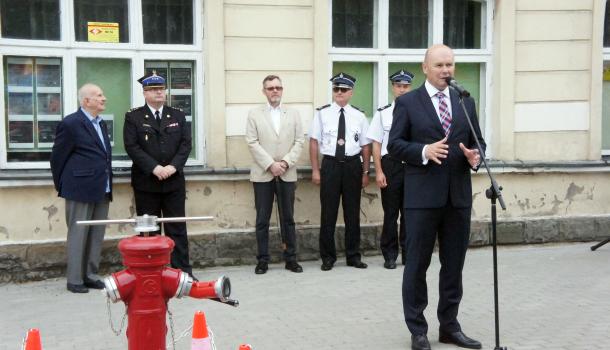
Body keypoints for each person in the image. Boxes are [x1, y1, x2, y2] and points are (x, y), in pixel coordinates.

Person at [387, 44, 485, 350]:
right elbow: (395, 145)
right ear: (425, 68)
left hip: (457, 198)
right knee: (416, 265)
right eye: (440, 65)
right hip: (421, 199)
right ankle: (418, 330)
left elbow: (478, 141)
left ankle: (449, 327)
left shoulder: (464, 100)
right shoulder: (409, 102)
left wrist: (475, 156)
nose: (446, 70)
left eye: (450, 64)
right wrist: (424, 151)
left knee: (453, 265)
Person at [123, 72, 195, 279]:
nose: (159, 93)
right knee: (148, 232)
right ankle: (150, 273)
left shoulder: (178, 115)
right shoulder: (133, 117)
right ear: (145, 93)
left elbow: (185, 144)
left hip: (173, 182)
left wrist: (172, 167)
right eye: (154, 90)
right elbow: (132, 147)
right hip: (147, 183)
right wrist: (155, 168)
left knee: (177, 229)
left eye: (161, 89)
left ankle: (182, 273)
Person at [50, 83, 112, 293]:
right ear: (86, 101)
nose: (104, 98)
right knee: (78, 233)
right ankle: (74, 279)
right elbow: (58, 158)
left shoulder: (101, 123)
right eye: (99, 95)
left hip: (101, 186)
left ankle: (90, 275)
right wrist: (63, 185)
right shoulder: (71, 123)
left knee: (96, 234)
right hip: (79, 187)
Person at [309, 72, 371, 271]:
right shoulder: (322, 113)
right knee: (328, 213)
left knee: (352, 214)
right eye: (336, 89)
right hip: (331, 166)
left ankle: (353, 256)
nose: (339, 93)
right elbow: (313, 142)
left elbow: (365, 146)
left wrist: (365, 172)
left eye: (343, 89)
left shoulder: (359, 115)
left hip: (353, 166)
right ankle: (328, 257)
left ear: (351, 92)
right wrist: (316, 170)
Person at [245, 75, 305, 274]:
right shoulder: (254, 114)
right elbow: (252, 142)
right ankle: (262, 260)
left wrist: (285, 162)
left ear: (282, 89)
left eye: (278, 87)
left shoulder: (294, 113)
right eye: (270, 88)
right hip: (263, 174)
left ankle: (291, 259)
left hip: (287, 173)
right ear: (264, 91)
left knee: (288, 217)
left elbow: (299, 141)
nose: (275, 91)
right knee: (262, 219)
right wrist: (271, 164)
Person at [366, 69, 414, 269]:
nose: (402, 90)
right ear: (393, 87)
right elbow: (376, 144)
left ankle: (409, 254)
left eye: (405, 86)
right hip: (390, 165)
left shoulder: (417, 112)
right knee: (391, 214)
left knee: (410, 214)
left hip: (411, 167)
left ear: (410, 87)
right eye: (398, 86)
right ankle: (389, 255)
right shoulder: (383, 113)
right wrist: (378, 171)